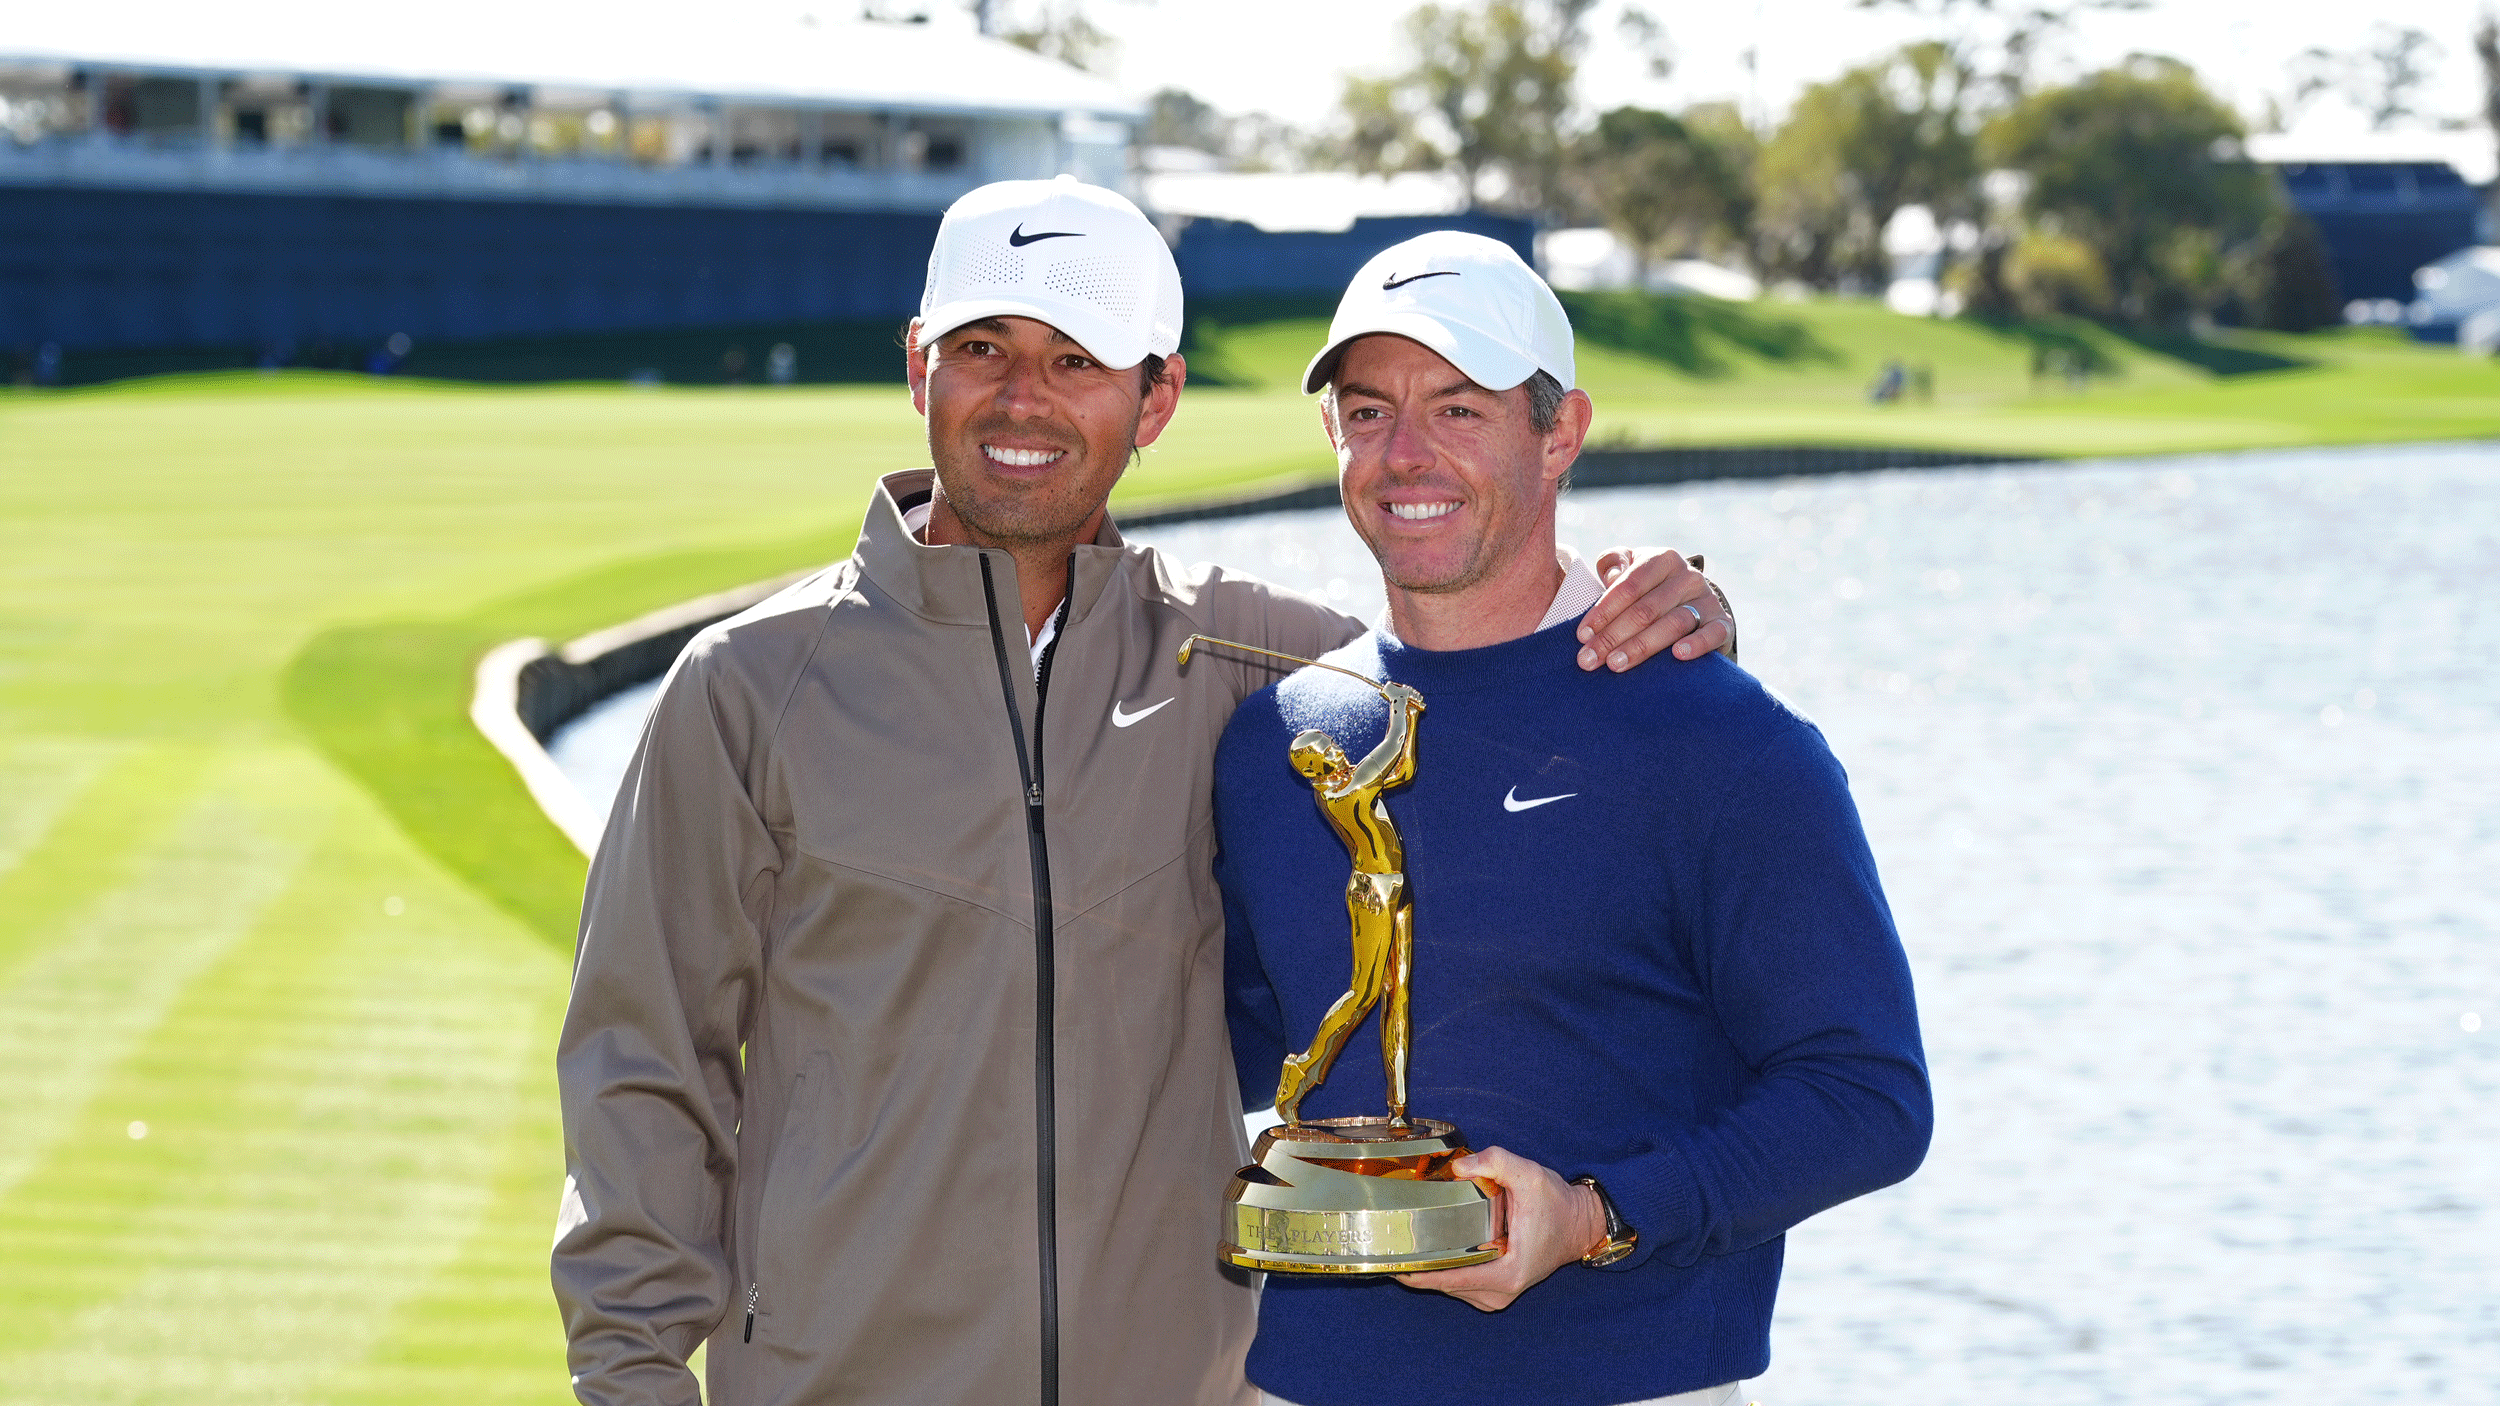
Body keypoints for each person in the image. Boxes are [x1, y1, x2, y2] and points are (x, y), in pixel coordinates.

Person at [550, 178, 1737, 1406]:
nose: (1022, 397)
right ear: (918, 367)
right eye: (981, 348)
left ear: (1155, 397)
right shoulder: (749, 687)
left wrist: (1658, 619)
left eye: (1076, 359)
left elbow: (1486, 670)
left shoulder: (1257, 663)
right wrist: (631, 1377)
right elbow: (642, 1067)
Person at [1217, 231, 1933, 1406]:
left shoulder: (1720, 738)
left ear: (1561, 432)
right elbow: (1231, 1042)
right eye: (1367, 410)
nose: (1404, 454)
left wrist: (1594, 1216)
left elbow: (1868, 1095)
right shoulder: (1275, 737)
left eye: (1458, 410)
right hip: (1305, 1383)